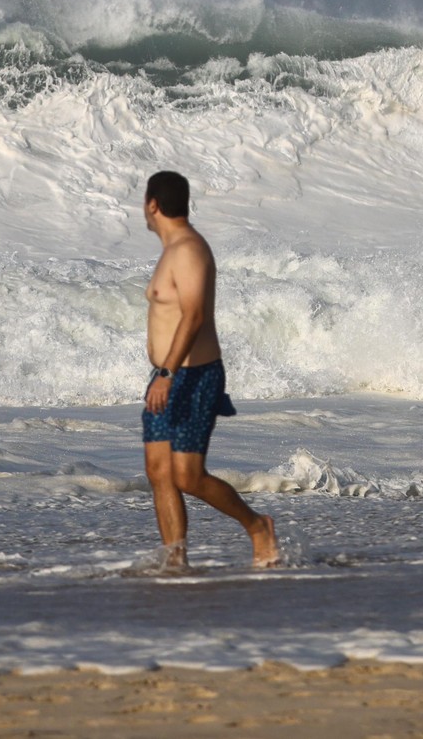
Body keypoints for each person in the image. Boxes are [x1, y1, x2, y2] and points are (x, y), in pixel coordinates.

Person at [141, 171, 279, 569]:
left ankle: (258, 526)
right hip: (168, 375)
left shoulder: (187, 249)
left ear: (152, 204)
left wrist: (167, 374)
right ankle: (175, 561)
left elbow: (195, 314)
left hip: (191, 375)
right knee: (158, 471)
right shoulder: (171, 250)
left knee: (186, 475)